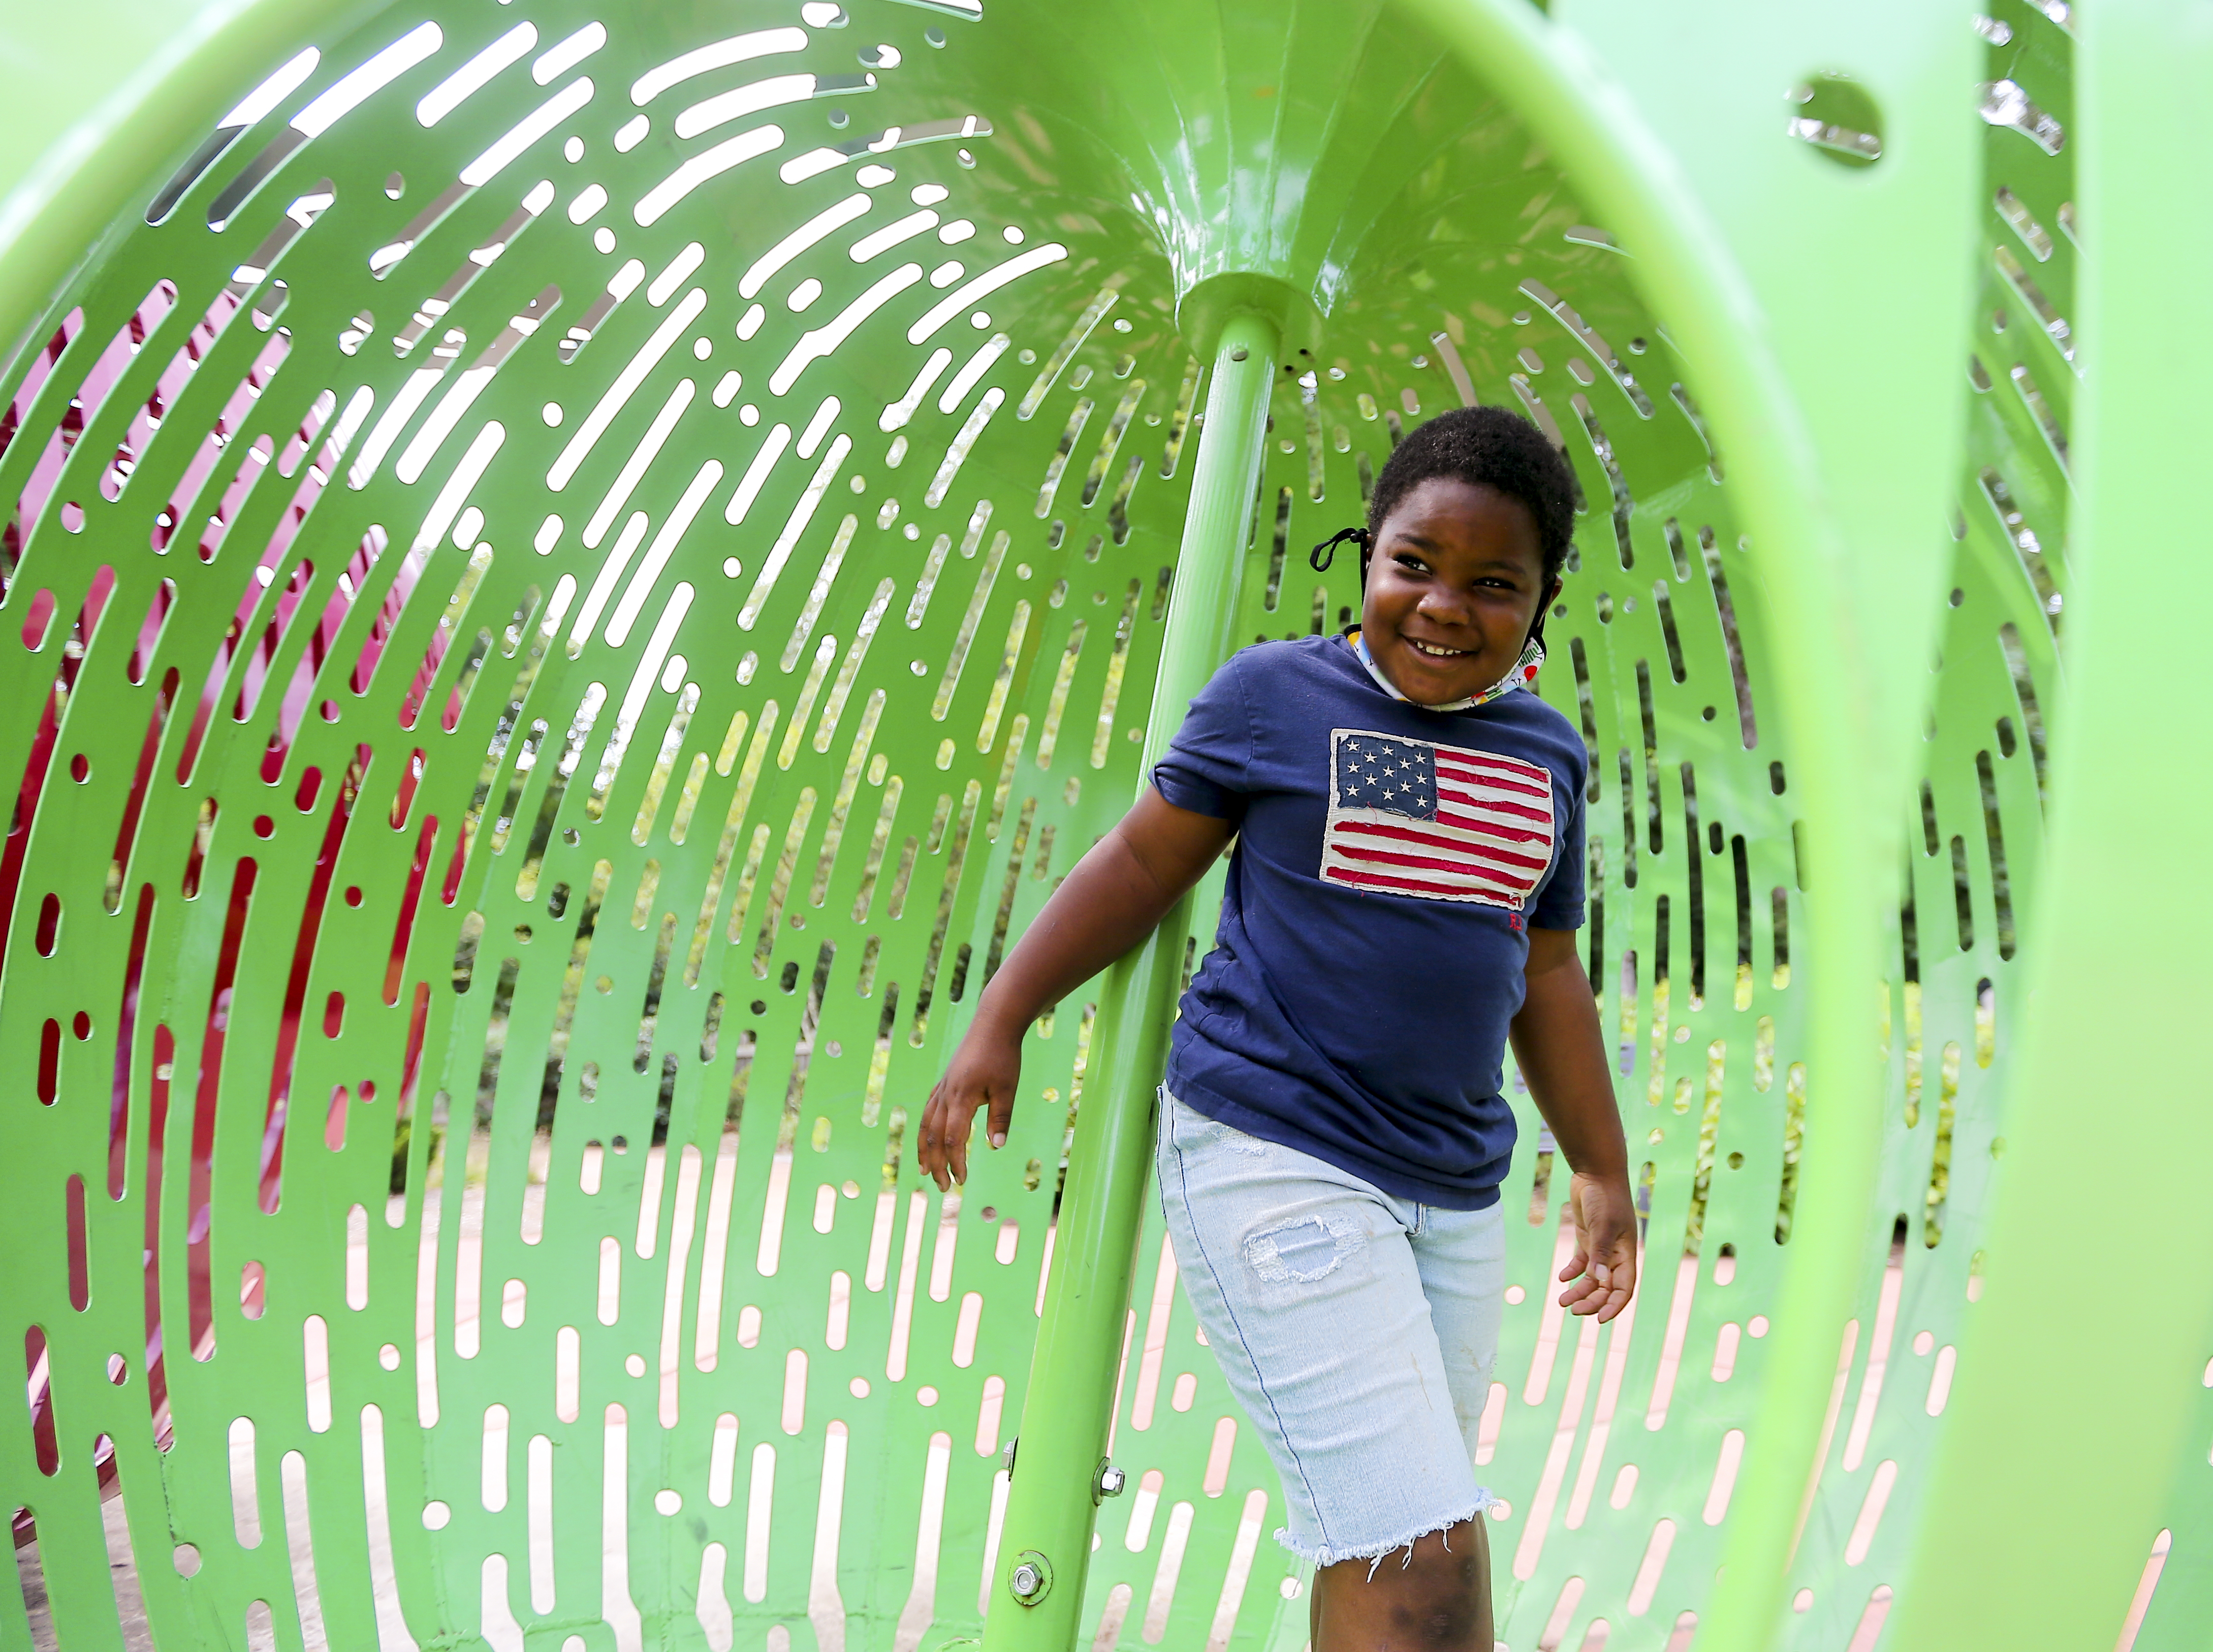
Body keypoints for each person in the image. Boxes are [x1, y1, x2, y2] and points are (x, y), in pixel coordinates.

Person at [918, 405, 1636, 1651]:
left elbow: (1549, 973)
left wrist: (1600, 1165)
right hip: (1277, 1151)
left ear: (1543, 602)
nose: (1443, 606)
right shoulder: (1277, 697)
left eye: (1494, 583)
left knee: (1401, 1531)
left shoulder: (1545, 757)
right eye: (1413, 563)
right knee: (1422, 1555)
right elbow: (1141, 867)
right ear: (1367, 556)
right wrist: (1005, 1015)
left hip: (1453, 1195)